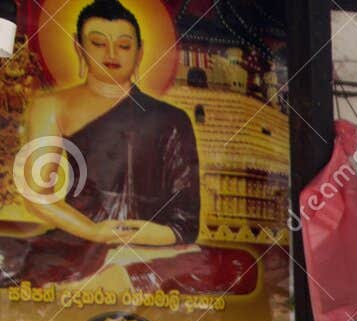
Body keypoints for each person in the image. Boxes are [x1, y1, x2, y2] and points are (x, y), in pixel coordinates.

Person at [1, 0, 206, 284]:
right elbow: (37, 193)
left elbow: (185, 217)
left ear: (140, 51)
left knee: (220, 267)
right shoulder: (52, 106)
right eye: (98, 43)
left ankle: (129, 268)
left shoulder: (172, 118)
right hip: (77, 240)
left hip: (151, 245)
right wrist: (93, 232)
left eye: (123, 45)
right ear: (78, 46)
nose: (111, 54)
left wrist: (149, 235)